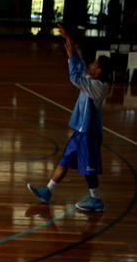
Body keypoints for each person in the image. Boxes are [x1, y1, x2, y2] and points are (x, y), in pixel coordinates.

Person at [27, 24, 112, 212]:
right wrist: (70, 43)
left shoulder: (98, 87)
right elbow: (81, 67)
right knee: (64, 161)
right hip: (80, 132)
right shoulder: (93, 80)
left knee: (88, 169)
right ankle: (48, 190)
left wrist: (72, 57)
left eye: (94, 64)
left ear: (99, 71)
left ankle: (96, 199)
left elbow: (76, 77)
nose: (91, 65)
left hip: (89, 134)